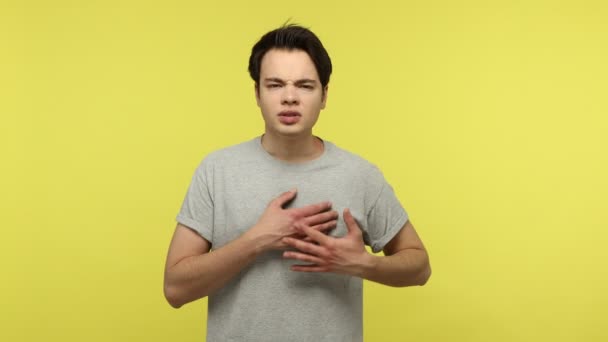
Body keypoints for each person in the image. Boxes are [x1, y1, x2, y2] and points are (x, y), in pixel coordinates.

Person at [163, 24, 431, 341]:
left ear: (324, 95)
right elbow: (175, 288)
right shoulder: (216, 171)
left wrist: (361, 264)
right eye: (275, 85)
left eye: (305, 86)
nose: (290, 98)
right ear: (257, 93)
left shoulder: (360, 175)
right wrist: (257, 240)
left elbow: (419, 267)